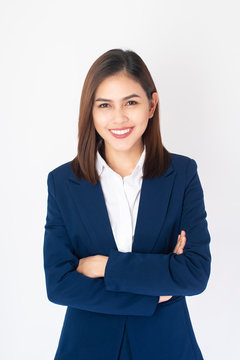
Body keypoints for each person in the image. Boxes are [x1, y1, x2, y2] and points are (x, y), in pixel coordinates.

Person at [43, 48, 211, 359]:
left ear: (152, 104)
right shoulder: (63, 183)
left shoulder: (183, 174)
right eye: (104, 105)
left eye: (130, 102)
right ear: (91, 112)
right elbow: (59, 284)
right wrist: (155, 290)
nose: (118, 118)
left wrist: (104, 266)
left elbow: (194, 273)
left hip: (167, 347)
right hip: (86, 348)